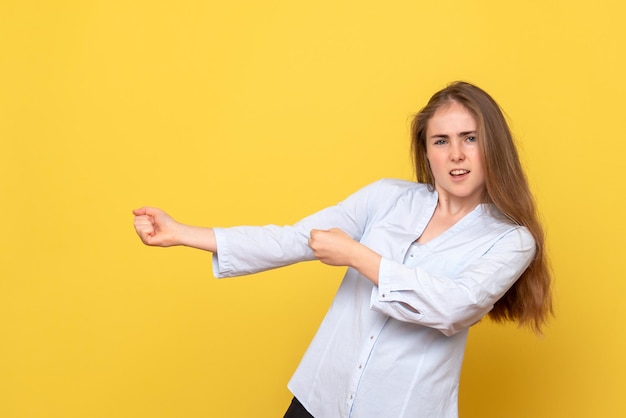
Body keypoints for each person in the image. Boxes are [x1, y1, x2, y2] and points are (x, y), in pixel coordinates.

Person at [132, 81, 552, 418]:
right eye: (440, 141)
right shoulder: (385, 198)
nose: (456, 154)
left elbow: (450, 308)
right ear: (426, 151)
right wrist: (182, 233)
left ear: (491, 145)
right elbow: (293, 239)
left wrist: (356, 255)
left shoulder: (511, 240)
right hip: (319, 399)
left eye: (470, 138)